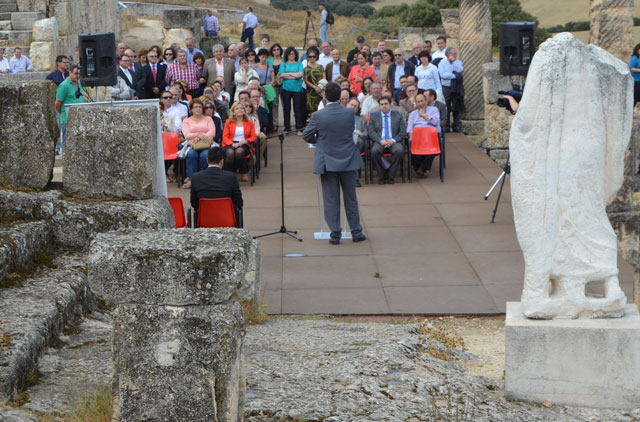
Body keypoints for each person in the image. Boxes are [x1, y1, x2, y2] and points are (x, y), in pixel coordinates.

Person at [302, 82, 366, 245]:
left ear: (324, 96)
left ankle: (335, 233)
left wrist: (320, 140)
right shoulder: (348, 114)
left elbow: (306, 135)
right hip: (348, 159)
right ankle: (356, 231)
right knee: (351, 197)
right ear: (339, 97)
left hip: (327, 160)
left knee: (331, 198)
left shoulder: (319, 115)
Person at [190, 146, 243, 219]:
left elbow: (194, 203)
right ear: (222, 161)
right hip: (227, 219)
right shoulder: (231, 177)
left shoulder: (196, 177)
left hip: (204, 220)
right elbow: (239, 202)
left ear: (207, 160)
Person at [369, 95, 406, 184]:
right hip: (380, 141)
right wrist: (381, 141)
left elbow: (402, 132)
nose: (384, 106)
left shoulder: (398, 115)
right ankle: (381, 176)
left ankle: (391, 175)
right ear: (379, 106)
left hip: (394, 140)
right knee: (374, 151)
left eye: (386, 104)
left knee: (399, 151)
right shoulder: (374, 116)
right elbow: (371, 132)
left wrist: (392, 140)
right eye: (382, 104)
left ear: (390, 105)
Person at [182, 98, 217, 189]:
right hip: (192, 144)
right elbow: (186, 135)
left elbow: (212, 132)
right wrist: (198, 135)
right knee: (191, 154)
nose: (198, 109)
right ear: (191, 109)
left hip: (206, 143)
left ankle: (201, 179)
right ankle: (192, 179)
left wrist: (201, 137)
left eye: (200, 107)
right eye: (196, 107)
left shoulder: (208, 119)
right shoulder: (186, 121)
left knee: (205, 155)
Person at [407, 91, 440, 178]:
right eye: (418, 102)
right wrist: (411, 138)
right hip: (417, 138)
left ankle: (422, 169)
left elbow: (436, 122)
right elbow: (410, 128)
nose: (420, 103)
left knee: (431, 151)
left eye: (422, 101)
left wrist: (424, 116)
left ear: (426, 101)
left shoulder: (434, 110)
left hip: (430, 138)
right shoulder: (412, 114)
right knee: (412, 149)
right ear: (416, 103)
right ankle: (421, 169)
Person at [222, 102, 257, 182]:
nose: (239, 110)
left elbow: (254, 137)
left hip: (244, 143)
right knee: (230, 152)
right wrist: (232, 144)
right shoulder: (228, 121)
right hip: (230, 143)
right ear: (233, 112)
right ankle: (229, 174)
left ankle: (242, 172)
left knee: (239, 152)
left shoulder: (249, 122)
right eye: (237, 109)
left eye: (241, 108)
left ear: (244, 111)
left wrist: (246, 140)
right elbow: (225, 137)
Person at [55, 65, 84, 156]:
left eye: (79, 74)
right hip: (67, 118)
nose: (77, 76)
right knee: (67, 143)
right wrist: (61, 112)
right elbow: (58, 102)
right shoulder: (64, 85)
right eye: (75, 73)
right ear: (70, 73)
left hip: (78, 118)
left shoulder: (79, 84)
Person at [279, 46, 305, 134]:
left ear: (295, 54)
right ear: (287, 55)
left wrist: (288, 74)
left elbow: (300, 74)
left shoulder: (299, 64)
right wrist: (295, 75)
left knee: (297, 109)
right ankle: (287, 128)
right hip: (286, 89)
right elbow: (282, 75)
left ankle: (299, 128)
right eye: (290, 54)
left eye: (293, 53)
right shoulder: (284, 64)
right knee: (286, 109)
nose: (291, 55)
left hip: (297, 89)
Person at [438, 47, 463, 132]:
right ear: (448, 55)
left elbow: (459, 70)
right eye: (454, 54)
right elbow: (443, 75)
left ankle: (456, 125)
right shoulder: (442, 63)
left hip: (456, 87)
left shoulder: (458, 62)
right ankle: (446, 125)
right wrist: (454, 75)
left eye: (455, 54)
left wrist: (453, 72)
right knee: (446, 106)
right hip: (446, 87)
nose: (455, 55)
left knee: (456, 106)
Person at [347, 97, 368, 187]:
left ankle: (354, 178)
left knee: (356, 146)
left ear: (357, 109)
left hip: (357, 144)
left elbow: (366, 134)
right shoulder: (339, 118)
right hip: (344, 143)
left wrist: (360, 133)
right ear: (347, 105)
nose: (352, 107)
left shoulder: (361, 120)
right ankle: (354, 179)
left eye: (355, 106)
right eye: (351, 105)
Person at [304, 46, 326, 116]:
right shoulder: (306, 69)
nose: (312, 58)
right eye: (310, 56)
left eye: (314, 56)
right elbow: (306, 81)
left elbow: (324, 79)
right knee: (312, 112)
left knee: (322, 110)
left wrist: (320, 87)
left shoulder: (321, 67)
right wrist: (315, 87)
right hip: (311, 92)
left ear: (316, 56)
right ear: (308, 57)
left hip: (321, 91)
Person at [268, 43, 283, 131]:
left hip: (284, 85)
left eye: (278, 49)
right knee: (274, 104)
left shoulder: (284, 60)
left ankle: (286, 123)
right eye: (274, 50)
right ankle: (275, 123)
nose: (276, 51)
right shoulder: (269, 61)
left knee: (285, 105)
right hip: (274, 85)